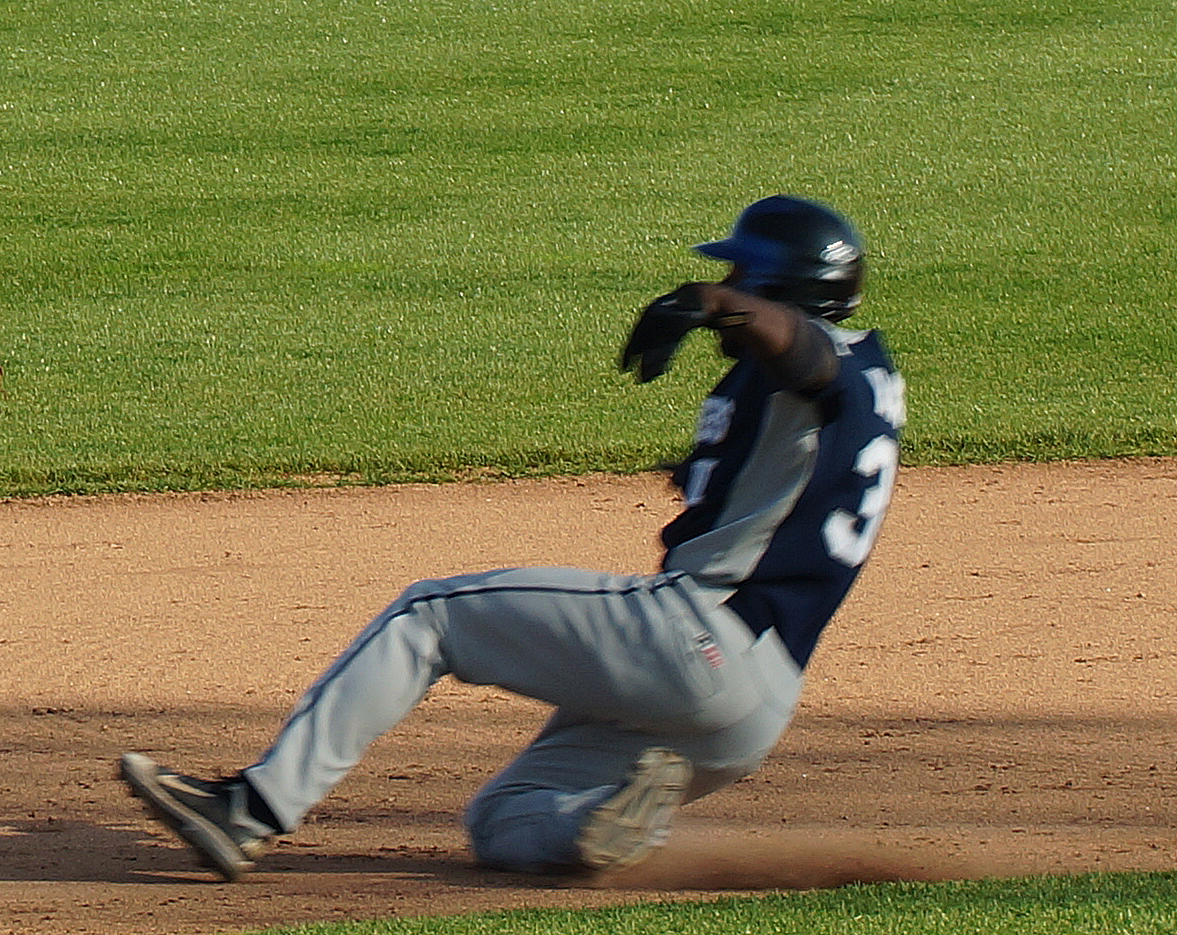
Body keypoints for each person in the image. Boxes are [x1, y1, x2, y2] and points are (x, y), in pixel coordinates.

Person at [118, 194, 905, 880]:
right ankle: (600, 823)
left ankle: (250, 809)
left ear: (775, 284)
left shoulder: (817, 359)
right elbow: (802, 453)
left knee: (428, 616)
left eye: (740, 272)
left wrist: (707, 302)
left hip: (696, 641)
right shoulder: (874, 377)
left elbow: (802, 350)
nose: (728, 281)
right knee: (502, 818)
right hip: (750, 714)